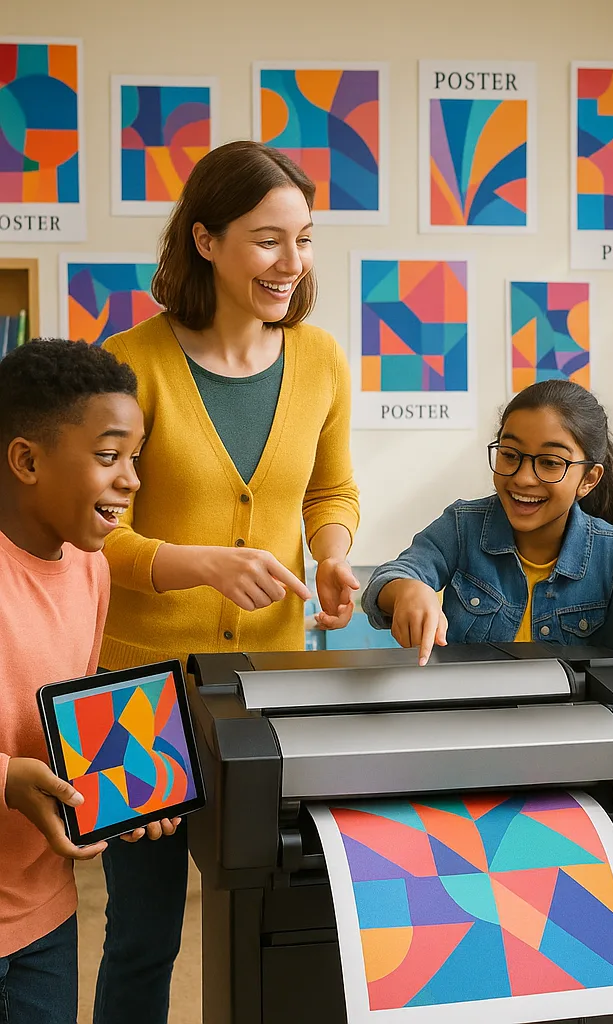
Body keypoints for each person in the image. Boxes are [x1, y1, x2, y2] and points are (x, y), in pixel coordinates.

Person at [95, 141, 361, 1024]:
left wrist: (330, 551)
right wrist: (197, 564)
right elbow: (93, 532)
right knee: (142, 931)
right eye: (267, 240)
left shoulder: (320, 359)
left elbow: (332, 489)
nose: (293, 264)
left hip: (271, 685)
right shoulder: (126, 363)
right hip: (135, 690)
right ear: (205, 241)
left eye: (306, 240)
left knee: (275, 914)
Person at [0, 339, 163, 1022]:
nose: (131, 480)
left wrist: (118, 786)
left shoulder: (91, 569)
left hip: (44, 911)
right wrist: (5, 779)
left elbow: (72, 707)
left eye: (134, 459)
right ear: (27, 460)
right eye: (108, 457)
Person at [363, 379, 613, 662]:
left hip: (570, 708)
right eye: (509, 455)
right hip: (469, 704)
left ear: (589, 479)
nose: (522, 478)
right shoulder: (462, 526)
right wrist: (406, 590)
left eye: (550, 462)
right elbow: (387, 580)